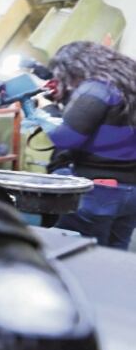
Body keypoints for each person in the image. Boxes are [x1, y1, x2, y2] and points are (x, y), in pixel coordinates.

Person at [46, 41, 136, 250]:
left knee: (79, 252)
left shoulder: (98, 88)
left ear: (74, 67)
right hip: (132, 191)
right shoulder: (129, 84)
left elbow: (65, 138)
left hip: (99, 190)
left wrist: (48, 109)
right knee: (115, 252)